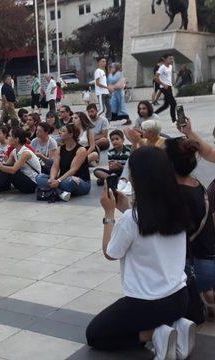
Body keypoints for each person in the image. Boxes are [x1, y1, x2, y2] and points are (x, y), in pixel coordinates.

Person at [86, 146, 194, 360]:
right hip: (180, 297)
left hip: (147, 304)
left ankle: (157, 334)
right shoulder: (179, 206)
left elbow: (111, 252)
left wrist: (109, 214)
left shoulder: (132, 219)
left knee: (96, 335)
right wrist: (125, 209)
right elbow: (148, 231)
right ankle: (177, 324)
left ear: (138, 179)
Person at [166, 137, 215, 320]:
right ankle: (207, 295)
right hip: (209, 260)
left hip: (192, 268)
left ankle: (199, 300)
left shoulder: (174, 194)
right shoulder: (197, 185)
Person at [0, 128, 40, 199]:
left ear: (17, 139)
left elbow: (13, 170)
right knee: (5, 167)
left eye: (10, 136)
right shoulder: (14, 151)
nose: (8, 138)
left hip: (31, 185)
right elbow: (4, 167)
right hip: (23, 180)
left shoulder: (25, 153)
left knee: (9, 169)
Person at [35, 124, 91, 201]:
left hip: (79, 181)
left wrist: (58, 181)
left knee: (71, 181)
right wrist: (52, 179)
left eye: (63, 131)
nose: (60, 132)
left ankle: (53, 190)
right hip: (62, 179)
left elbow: (73, 170)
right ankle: (60, 192)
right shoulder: (60, 149)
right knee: (39, 177)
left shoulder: (81, 150)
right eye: (60, 130)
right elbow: (55, 166)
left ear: (71, 134)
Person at [154, 54, 177, 123]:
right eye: (170, 59)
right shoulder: (162, 67)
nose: (171, 60)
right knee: (173, 103)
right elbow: (155, 78)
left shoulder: (170, 66)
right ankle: (174, 120)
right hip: (164, 88)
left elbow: (167, 77)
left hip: (169, 87)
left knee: (166, 105)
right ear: (165, 59)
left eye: (172, 59)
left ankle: (153, 114)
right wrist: (163, 85)